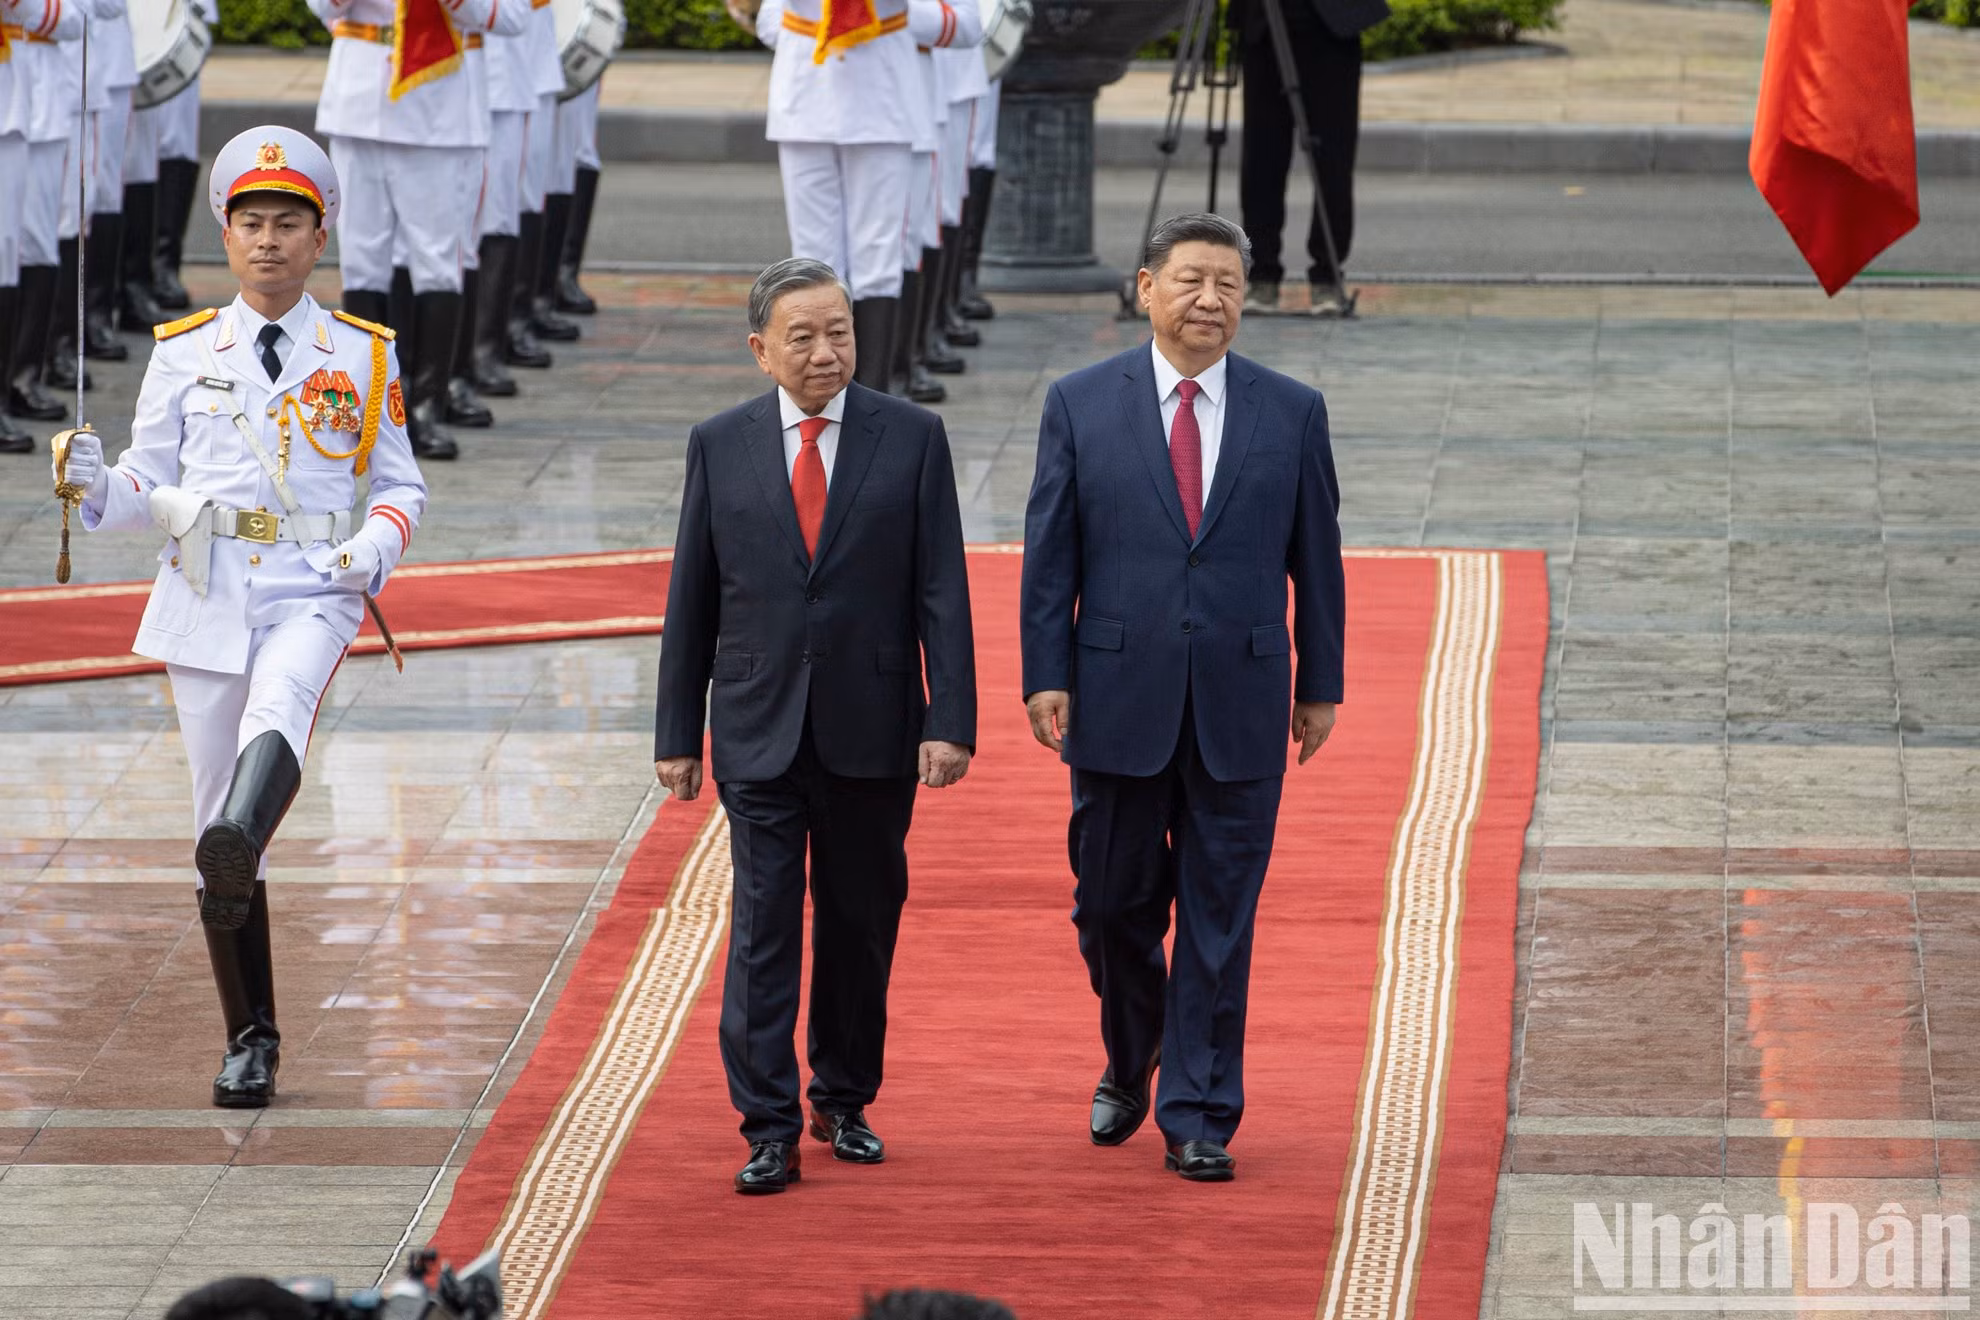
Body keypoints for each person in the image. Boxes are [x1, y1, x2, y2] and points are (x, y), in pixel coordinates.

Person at [53, 126, 429, 1107]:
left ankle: (238, 835)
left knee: (283, 705)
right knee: (213, 820)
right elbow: (146, 484)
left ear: (319, 237)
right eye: (251, 223)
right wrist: (96, 484)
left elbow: (400, 486)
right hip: (205, 586)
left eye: (288, 224)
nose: (269, 240)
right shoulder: (183, 352)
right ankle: (250, 1037)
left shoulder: (363, 353)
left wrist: (372, 551)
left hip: (314, 582)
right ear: (226, 234)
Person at [1018, 212, 1344, 1182]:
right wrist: (1046, 672)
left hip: (1242, 701)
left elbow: (1317, 559)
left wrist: (1320, 683)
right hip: (1117, 699)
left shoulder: (1292, 410)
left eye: (1229, 285)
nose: (1211, 300)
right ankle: (1136, 1053)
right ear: (1146, 288)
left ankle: (1198, 1112)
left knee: (1217, 922)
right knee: (1109, 908)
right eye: (1192, 281)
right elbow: (1051, 555)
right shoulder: (1080, 402)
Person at [654, 256, 976, 1194]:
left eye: (839, 332)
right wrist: (677, 734)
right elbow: (692, 596)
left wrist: (950, 718)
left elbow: (942, 588)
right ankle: (768, 1126)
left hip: (874, 726)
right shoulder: (720, 443)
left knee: (859, 923)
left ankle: (843, 1099)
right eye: (803, 337)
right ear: (761, 350)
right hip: (757, 726)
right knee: (763, 930)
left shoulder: (911, 437)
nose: (826, 351)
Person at [305, 0, 528, 459]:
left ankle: (426, 407)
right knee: (361, 263)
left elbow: (512, 16)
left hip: (438, 108)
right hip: (359, 98)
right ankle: (368, 406)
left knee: (436, 262)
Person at [757, 0, 917, 391]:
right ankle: (818, 392)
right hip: (806, 86)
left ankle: (873, 399)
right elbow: (769, 21)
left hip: (880, 88)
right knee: (812, 257)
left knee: (877, 256)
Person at [1231, 0, 1388, 315]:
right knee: (1261, 160)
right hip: (1263, 23)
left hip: (1330, 25)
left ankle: (1327, 276)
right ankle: (1262, 275)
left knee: (1333, 159)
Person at [0, 0, 85, 452]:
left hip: (29, 98)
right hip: (18, 88)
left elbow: (76, 18)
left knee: (23, 246)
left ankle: (19, 379)